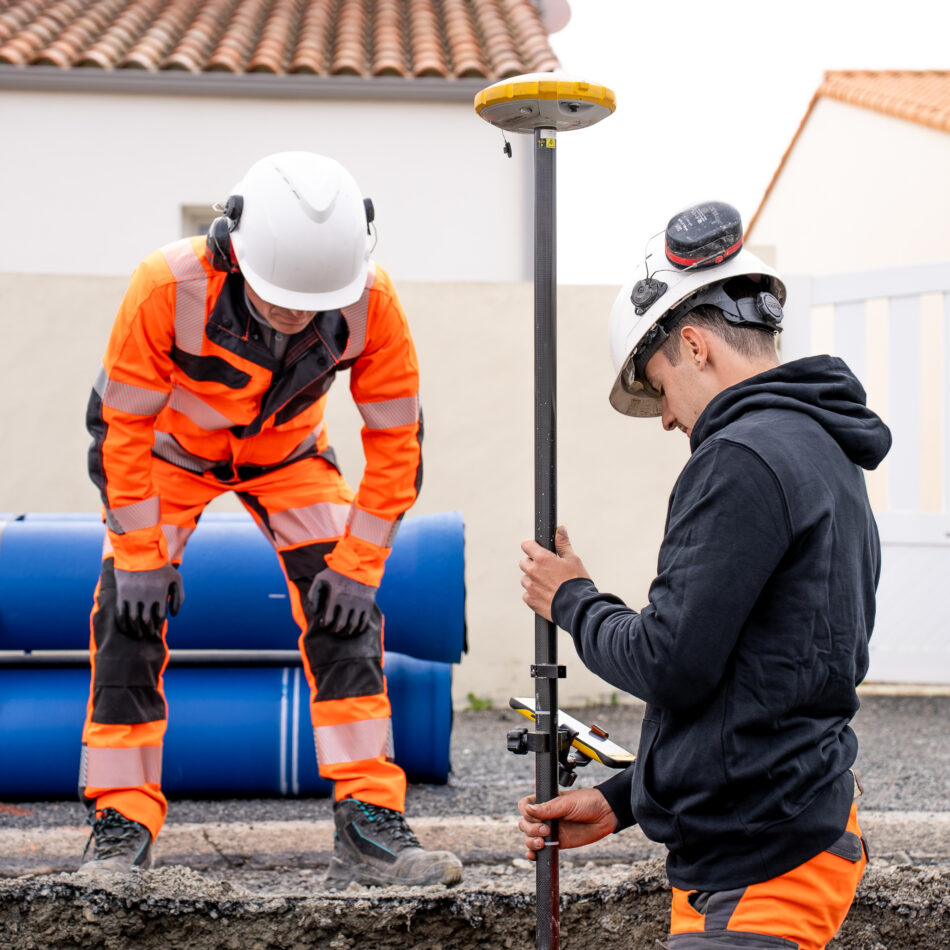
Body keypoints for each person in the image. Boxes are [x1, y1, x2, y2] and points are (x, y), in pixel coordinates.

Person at [78, 151, 462, 889]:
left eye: (310, 301)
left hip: (288, 457)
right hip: (170, 455)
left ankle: (367, 819)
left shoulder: (370, 301)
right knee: (125, 613)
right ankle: (120, 819)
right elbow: (118, 426)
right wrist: (137, 553)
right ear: (232, 247)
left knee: (347, 613)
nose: (294, 312)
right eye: (277, 294)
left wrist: (359, 568)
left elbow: (397, 442)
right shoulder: (165, 285)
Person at [518, 202, 890, 948]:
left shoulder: (742, 457)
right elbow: (761, 678)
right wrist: (624, 801)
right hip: (771, 843)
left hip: (763, 867)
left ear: (693, 346)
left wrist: (573, 601)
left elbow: (672, 660)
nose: (664, 418)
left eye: (657, 387)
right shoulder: (822, 450)